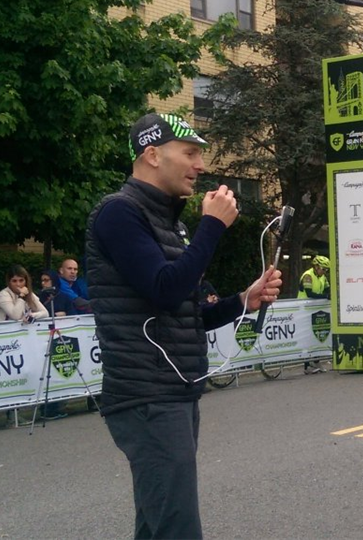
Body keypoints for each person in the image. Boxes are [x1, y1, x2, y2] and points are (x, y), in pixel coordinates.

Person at [85, 112, 282, 540]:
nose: (200, 165)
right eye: (190, 153)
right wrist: (212, 226)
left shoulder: (168, 221)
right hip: (147, 394)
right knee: (177, 528)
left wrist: (242, 301)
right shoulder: (119, 213)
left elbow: (184, 312)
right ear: (152, 154)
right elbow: (165, 290)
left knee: (158, 524)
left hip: (172, 389)